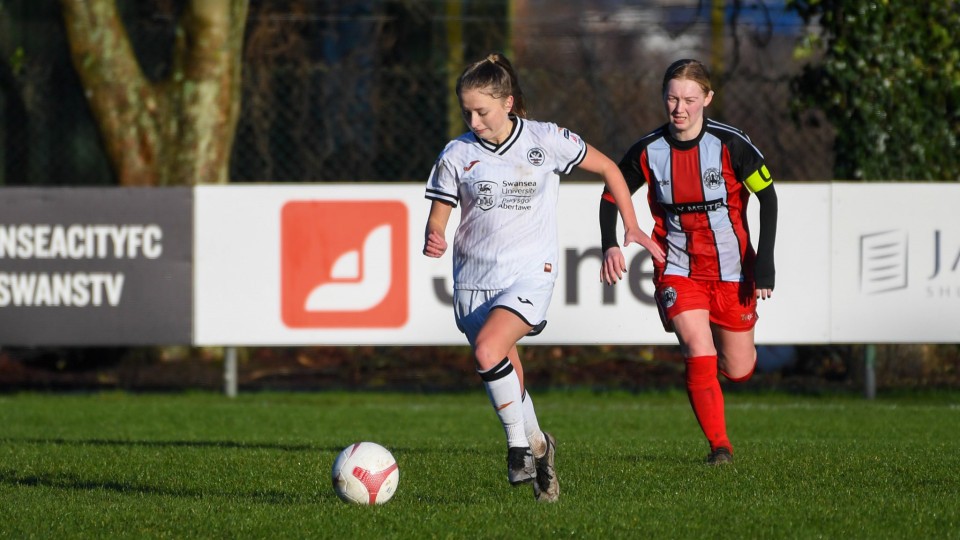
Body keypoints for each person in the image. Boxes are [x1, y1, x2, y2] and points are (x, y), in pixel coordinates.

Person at [423, 52, 664, 501]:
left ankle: (517, 449)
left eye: (482, 111)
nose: (473, 120)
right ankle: (540, 447)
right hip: (474, 280)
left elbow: (611, 169)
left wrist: (629, 224)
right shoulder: (457, 154)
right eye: (467, 112)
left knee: (488, 349)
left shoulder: (545, 139)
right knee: (505, 369)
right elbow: (439, 213)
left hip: (531, 274)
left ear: (508, 102)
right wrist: (434, 235)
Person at [598, 59, 778, 465]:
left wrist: (764, 260)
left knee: (738, 368)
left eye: (690, 100)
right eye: (672, 98)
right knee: (698, 350)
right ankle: (720, 447)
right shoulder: (648, 150)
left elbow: (768, 196)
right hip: (677, 267)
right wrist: (609, 243)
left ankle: (723, 343)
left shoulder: (731, 145)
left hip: (733, 271)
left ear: (707, 99)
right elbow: (612, 195)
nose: (679, 108)